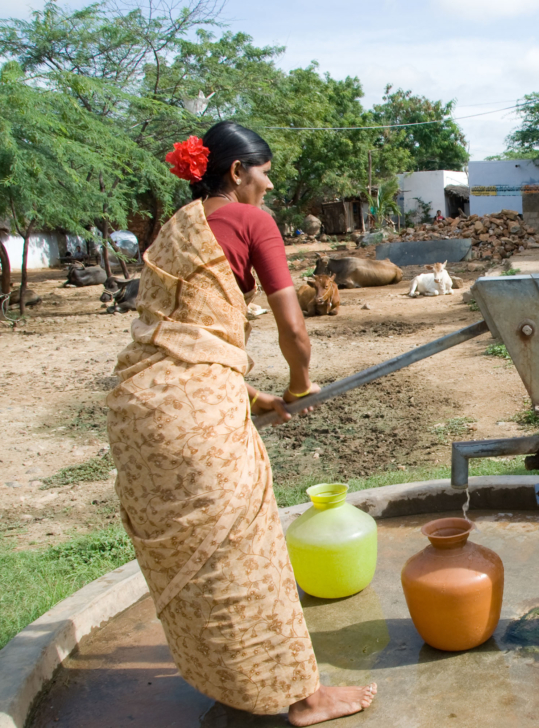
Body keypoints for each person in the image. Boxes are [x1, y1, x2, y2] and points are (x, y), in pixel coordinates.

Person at [106, 121, 377, 726]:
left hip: (137, 408)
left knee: (200, 560)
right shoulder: (253, 222)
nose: (270, 183)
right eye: (265, 170)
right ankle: (306, 700)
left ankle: (225, 682)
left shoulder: (176, 226)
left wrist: (244, 392)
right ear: (236, 172)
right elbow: (295, 330)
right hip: (199, 416)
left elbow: (176, 336)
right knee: (250, 555)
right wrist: (300, 385)